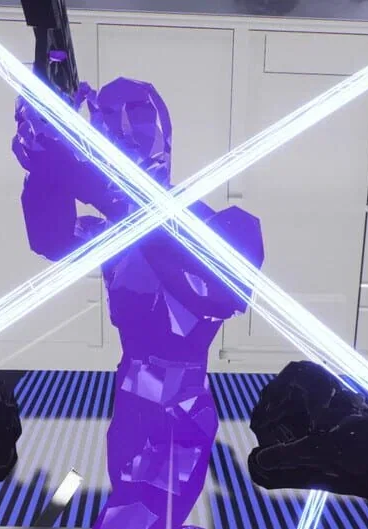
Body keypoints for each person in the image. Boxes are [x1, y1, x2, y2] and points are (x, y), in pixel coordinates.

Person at [13, 77, 265, 529]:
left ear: (166, 137)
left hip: (177, 412)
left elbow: (220, 288)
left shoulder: (215, 228)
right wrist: (44, 167)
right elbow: (52, 238)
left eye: (139, 118)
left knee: (135, 518)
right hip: (132, 404)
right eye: (110, 122)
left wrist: (92, 184)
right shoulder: (118, 234)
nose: (124, 133)